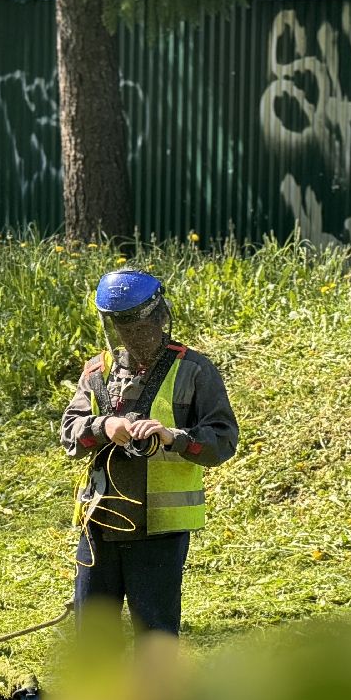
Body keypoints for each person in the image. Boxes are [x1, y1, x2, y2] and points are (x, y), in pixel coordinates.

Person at [59, 267, 238, 637]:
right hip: (99, 523)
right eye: (123, 327)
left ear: (160, 317)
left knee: (155, 636)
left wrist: (173, 437)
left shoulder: (195, 370)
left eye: (141, 325)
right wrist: (103, 427)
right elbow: (70, 433)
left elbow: (223, 440)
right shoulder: (97, 371)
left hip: (158, 531)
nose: (134, 335)